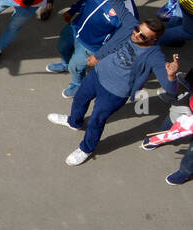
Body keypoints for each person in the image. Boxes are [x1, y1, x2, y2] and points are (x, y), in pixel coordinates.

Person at [48, 18, 179, 166]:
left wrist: (171, 76)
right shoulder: (130, 30)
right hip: (96, 75)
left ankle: (86, 149)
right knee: (79, 99)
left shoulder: (155, 55)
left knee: (96, 120)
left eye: (142, 36)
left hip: (115, 92)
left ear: (153, 39)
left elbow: (171, 89)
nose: (136, 35)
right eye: (137, 29)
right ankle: (73, 122)